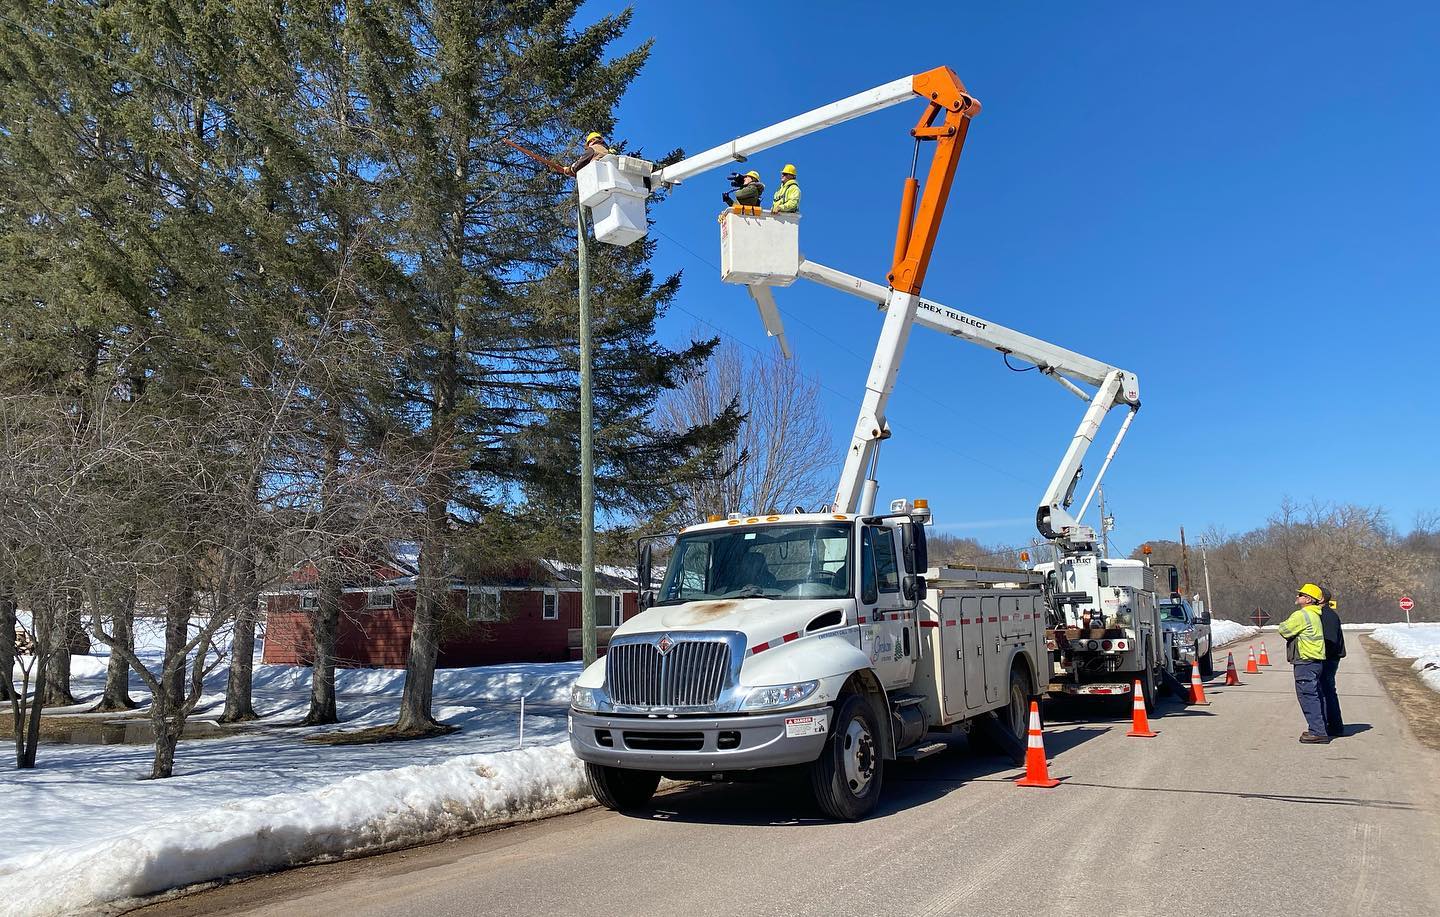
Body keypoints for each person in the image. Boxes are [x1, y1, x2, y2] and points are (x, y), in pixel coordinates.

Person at [1278, 582, 1329, 744]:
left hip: (1305, 661)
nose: (1297, 596)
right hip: (1315, 661)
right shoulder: (1315, 614)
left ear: (1308, 599)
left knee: (1307, 696)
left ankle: (1317, 731)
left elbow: (1284, 630)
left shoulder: (1302, 615)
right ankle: (1321, 727)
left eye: (1300, 595)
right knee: (1316, 695)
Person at [1317, 586, 1347, 737]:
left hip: (1328, 659)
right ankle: (1332, 724)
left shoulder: (1327, 615)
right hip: (1327, 658)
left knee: (1327, 691)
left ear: (1321, 599)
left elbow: (1329, 640)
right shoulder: (1321, 614)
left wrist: (1319, 656)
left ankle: (1335, 725)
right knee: (1326, 690)